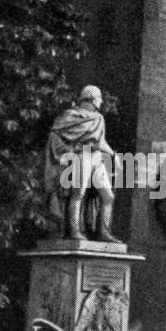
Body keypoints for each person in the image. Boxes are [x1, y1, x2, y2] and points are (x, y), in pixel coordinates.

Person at [43, 85, 121, 242]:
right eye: (99, 98)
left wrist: (113, 154)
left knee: (108, 196)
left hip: (96, 158)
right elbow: (55, 135)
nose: (100, 102)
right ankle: (74, 231)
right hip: (81, 155)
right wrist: (66, 152)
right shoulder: (71, 115)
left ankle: (104, 232)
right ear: (91, 98)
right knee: (78, 193)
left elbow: (100, 141)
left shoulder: (99, 118)